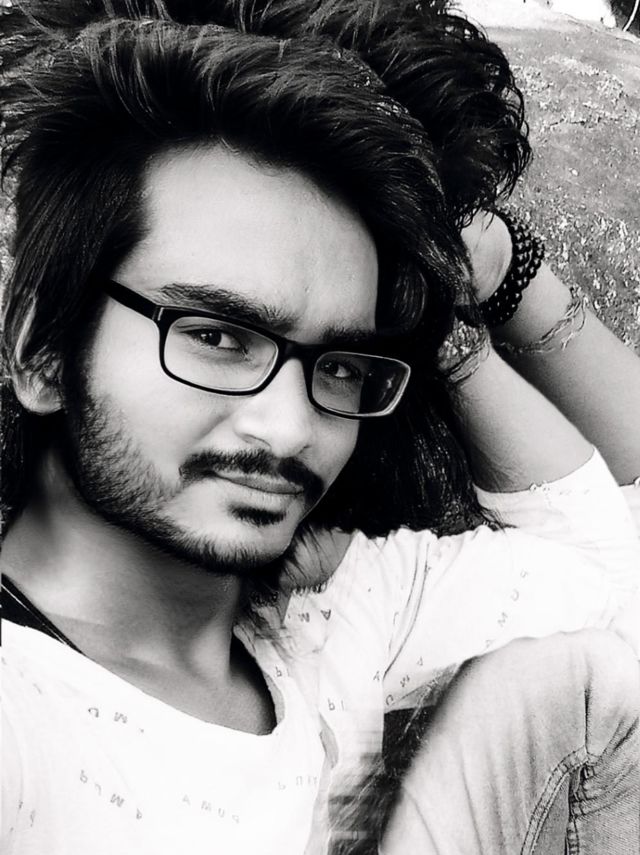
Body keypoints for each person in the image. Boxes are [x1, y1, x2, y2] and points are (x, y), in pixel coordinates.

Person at [1, 2, 638, 854]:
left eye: (338, 365)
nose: (292, 425)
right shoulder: (24, 719)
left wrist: (470, 294)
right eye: (217, 337)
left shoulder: (325, 625)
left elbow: (610, 583)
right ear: (43, 352)